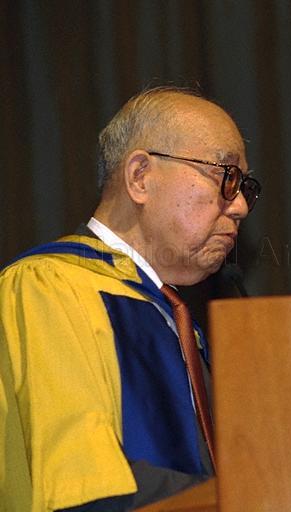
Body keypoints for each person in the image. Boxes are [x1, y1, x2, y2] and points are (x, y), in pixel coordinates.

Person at [0, 87, 260, 511]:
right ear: (140, 176)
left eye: (245, 185)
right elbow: (85, 487)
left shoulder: (171, 318)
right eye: (226, 176)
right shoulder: (51, 286)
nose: (242, 206)